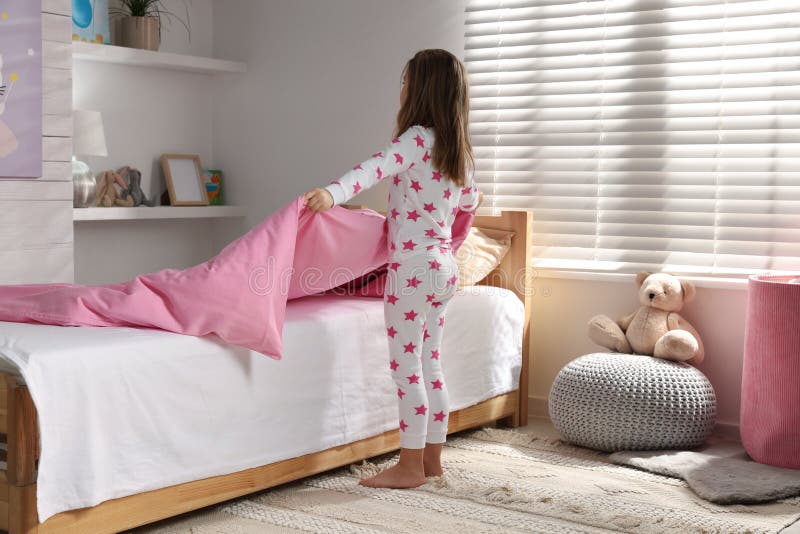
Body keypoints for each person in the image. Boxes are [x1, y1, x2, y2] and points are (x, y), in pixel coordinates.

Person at [303, 49, 482, 489]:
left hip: (413, 269)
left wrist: (332, 193)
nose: (400, 90)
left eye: (405, 82)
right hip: (443, 268)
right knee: (431, 362)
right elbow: (468, 211)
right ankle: (432, 461)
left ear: (419, 90)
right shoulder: (459, 154)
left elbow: (371, 170)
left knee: (407, 370)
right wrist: (444, 251)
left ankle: (408, 465)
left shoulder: (417, 139)